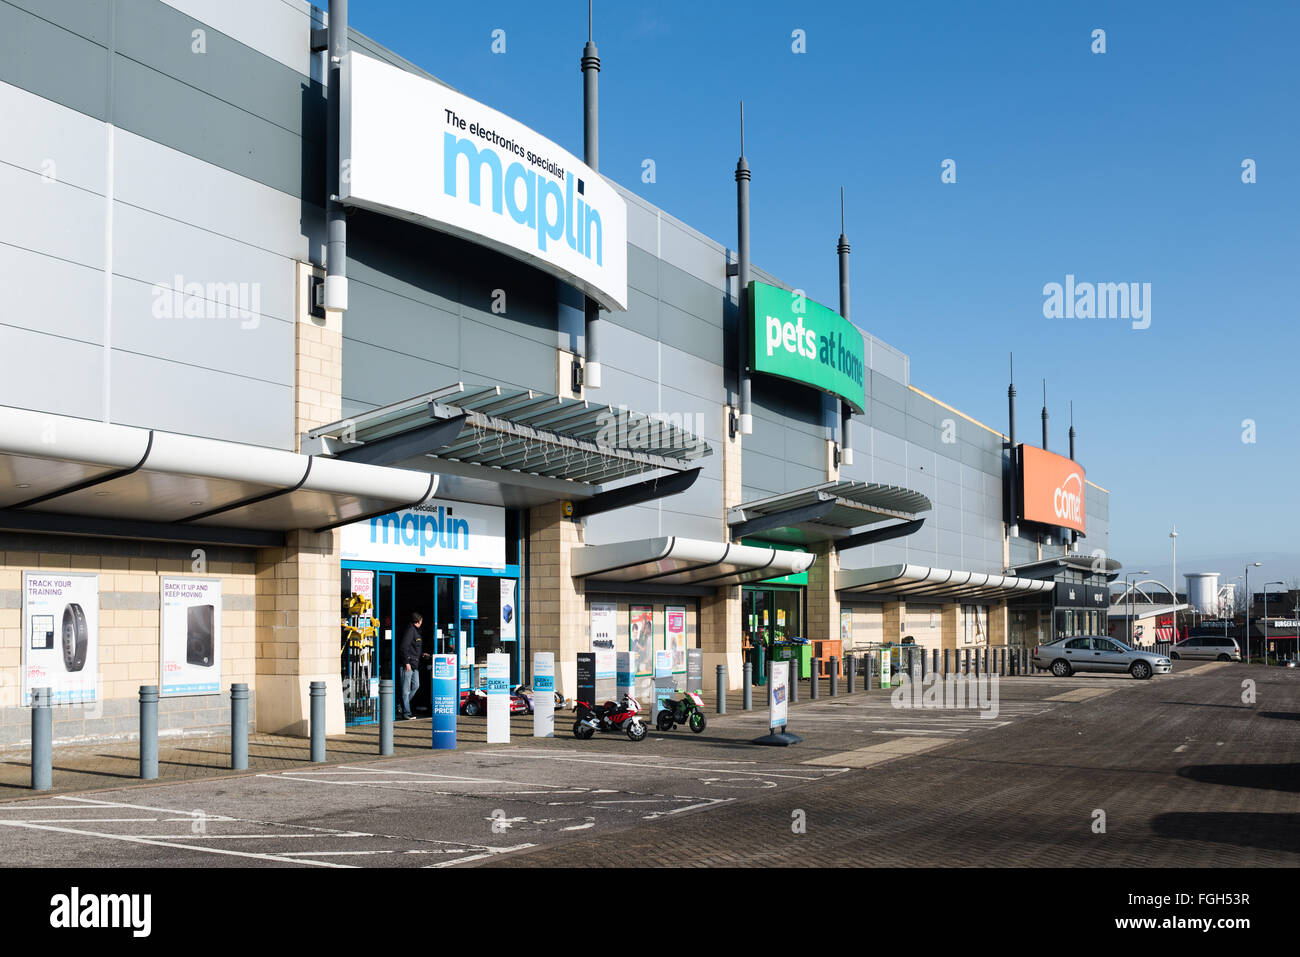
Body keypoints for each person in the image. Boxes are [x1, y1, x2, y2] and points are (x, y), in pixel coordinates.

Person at [399, 612, 424, 719]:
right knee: (405, 690)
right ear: (419, 621)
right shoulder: (410, 630)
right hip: (408, 665)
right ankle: (406, 713)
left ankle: (401, 706)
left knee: (416, 685)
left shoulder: (416, 631)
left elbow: (413, 648)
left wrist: (422, 654)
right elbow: (404, 647)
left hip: (414, 664)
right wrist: (406, 663)